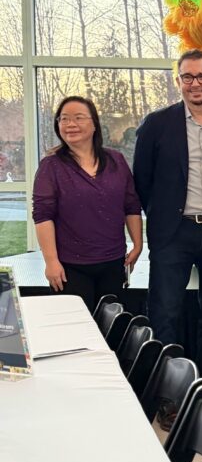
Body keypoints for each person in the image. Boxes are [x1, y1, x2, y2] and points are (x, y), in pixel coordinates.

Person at [133, 49, 202, 384]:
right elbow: (142, 182)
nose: (196, 84)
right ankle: (170, 391)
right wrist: (163, 219)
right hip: (174, 233)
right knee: (165, 314)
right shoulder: (157, 124)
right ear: (179, 81)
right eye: (188, 77)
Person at [32, 96, 142, 312]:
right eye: (63, 119)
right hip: (69, 267)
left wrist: (137, 244)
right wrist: (51, 262)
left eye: (78, 118)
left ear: (94, 124)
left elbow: (131, 205)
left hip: (113, 263)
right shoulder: (50, 166)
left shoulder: (116, 161)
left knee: (111, 331)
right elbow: (43, 216)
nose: (70, 124)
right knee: (77, 336)